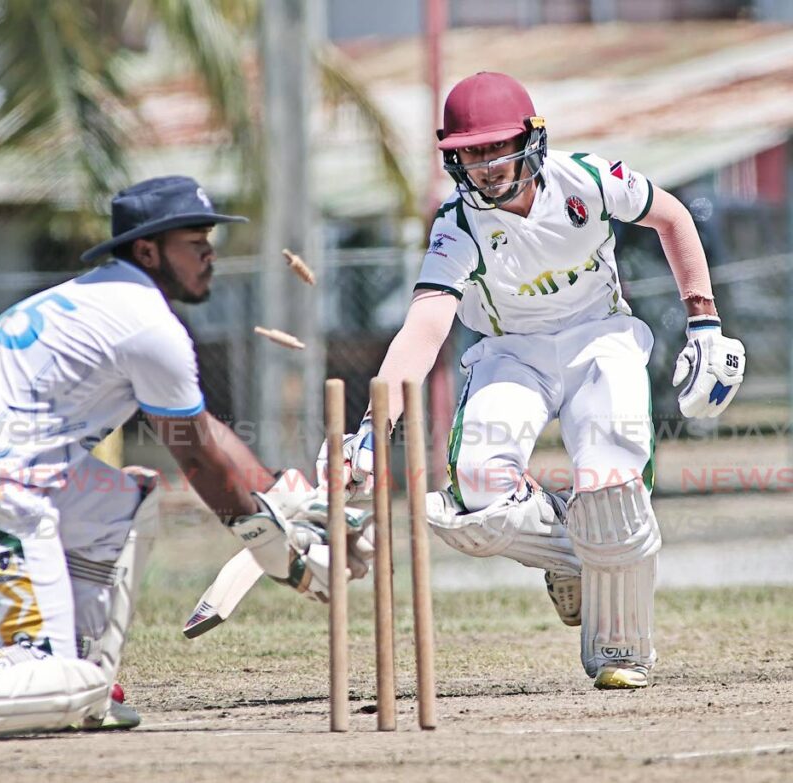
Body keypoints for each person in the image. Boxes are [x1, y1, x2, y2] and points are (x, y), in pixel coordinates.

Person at [0, 176, 371, 745]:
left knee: (129, 503)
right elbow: (195, 458)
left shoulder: (111, 299)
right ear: (148, 250)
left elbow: (202, 429)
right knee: (54, 675)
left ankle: (88, 684)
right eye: (195, 243)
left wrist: (282, 497)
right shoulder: (146, 323)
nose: (209, 256)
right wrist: (280, 555)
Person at [319, 72, 745, 690]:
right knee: (471, 500)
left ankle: (621, 648)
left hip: (600, 336)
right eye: (471, 152)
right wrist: (371, 427)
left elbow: (672, 217)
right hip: (510, 355)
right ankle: (581, 557)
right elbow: (425, 324)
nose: (486, 166)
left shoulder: (588, 179)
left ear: (531, 140)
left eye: (497, 148)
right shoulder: (457, 226)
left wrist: (704, 322)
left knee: (612, 480)